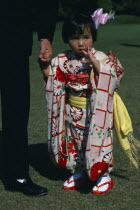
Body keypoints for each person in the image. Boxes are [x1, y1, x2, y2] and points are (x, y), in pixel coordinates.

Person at [0, 0, 58, 196]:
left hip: (14, 40)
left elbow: (47, 4)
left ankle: (17, 175)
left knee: (16, 110)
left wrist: (45, 37)